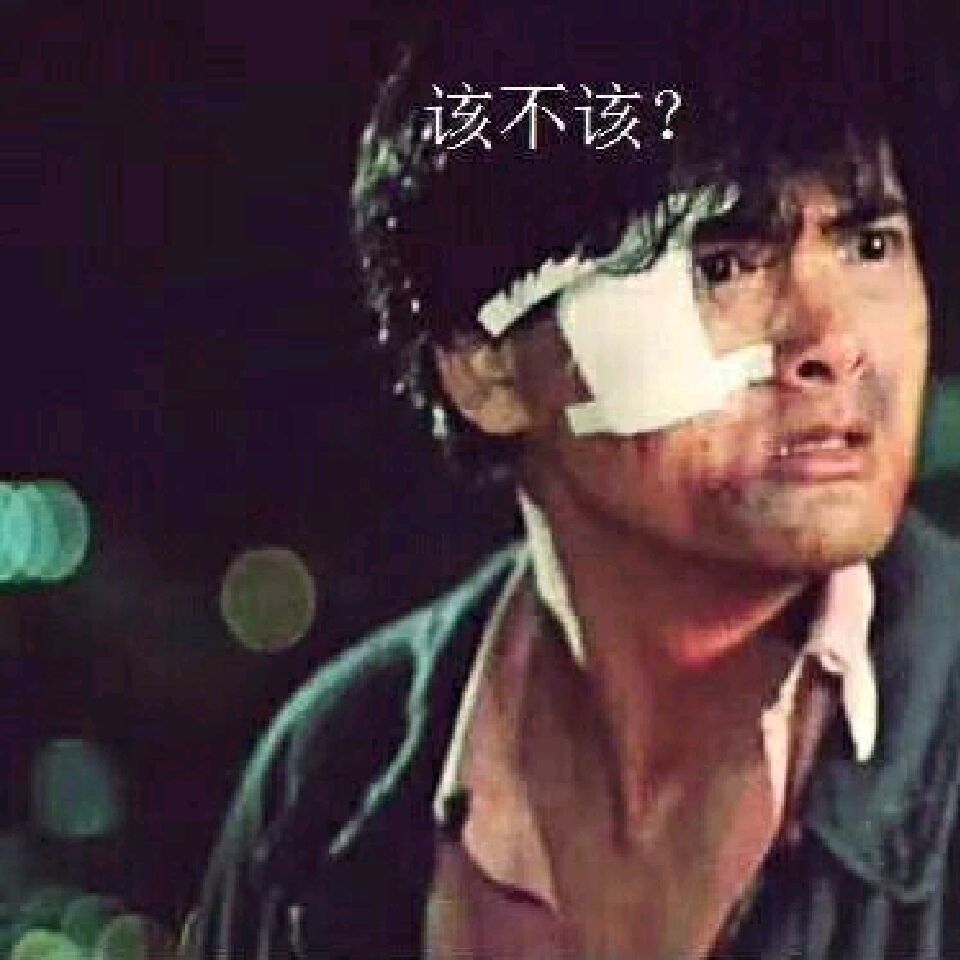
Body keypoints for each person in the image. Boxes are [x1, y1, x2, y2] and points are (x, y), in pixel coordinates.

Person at [190, 2, 960, 957]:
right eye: (723, 264)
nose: (835, 341)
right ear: (487, 368)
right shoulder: (327, 784)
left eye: (869, 244)